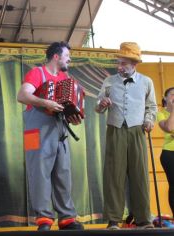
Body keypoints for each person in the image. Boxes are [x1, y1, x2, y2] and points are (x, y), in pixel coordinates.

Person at [17, 41, 84, 231]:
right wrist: (45, 102)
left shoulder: (65, 77)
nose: (69, 59)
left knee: (63, 173)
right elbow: (22, 95)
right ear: (56, 56)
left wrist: (73, 115)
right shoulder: (38, 73)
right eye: (67, 56)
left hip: (59, 128)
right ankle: (44, 219)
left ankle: (67, 218)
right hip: (35, 128)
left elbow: (68, 104)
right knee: (39, 173)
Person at [95, 42, 157, 229]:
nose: (119, 67)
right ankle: (113, 219)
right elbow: (97, 106)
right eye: (118, 63)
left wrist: (149, 120)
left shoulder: (146, 81)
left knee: (139, 174)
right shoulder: (109, 81)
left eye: (123, 63)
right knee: (114, 175)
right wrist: (102, 103)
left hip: (137, 130)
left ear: (134, 64)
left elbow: (151, 107)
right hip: (115, 130)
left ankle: (143, 219)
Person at [157, 87, 174, 216]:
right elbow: (169, 127)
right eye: (172, 95)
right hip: (169, 154)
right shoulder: (161, 113)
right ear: (165, 99)